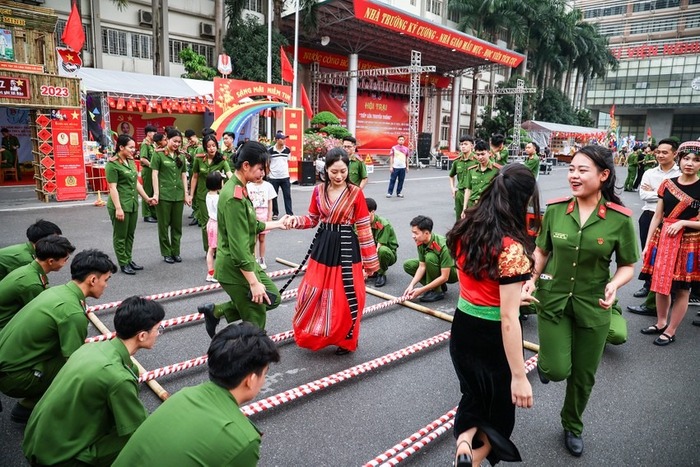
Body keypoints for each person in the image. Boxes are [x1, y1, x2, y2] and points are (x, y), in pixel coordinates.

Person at [525, 145, 638, 457]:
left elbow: (628, 265)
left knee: (583, 375)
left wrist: (615, 284)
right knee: (558, 368)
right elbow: (542, 251)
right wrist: (531, 280)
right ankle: (549, 365)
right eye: (571, 169)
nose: (573, 175)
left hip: (594, 305)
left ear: (603, 175)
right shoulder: (557, 209)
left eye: (582, 170)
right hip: (554, 300)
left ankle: (572, 425)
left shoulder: (619, 219)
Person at [446, 163, 538, 466]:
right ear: (522, 199)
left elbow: (470, 279)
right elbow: (509, 319)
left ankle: (462, 444)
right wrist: (519, 376)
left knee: (472, 394)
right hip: (492, 334)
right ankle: (473, 459)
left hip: (462, 327)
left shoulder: (465, 227)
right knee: (499, 410)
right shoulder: (510, 248)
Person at [22, 296, 165, 466]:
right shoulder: (118, 377)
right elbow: (139, 428)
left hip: (36, 440)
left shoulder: (91, 347)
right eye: (158, 329)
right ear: (142, 335)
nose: (159, 333)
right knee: (141, 439)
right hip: (58, 458)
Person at [113, 322, 280, 467]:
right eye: (265, 373)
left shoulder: (185, 395)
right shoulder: (244, 439)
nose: (264, 379)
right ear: (250, 380)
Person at [0, 249, 117, 423]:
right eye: (106, 280)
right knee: (79, 366)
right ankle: (38, 409)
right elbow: (75, 364)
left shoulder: (56, 291)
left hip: (7, 366)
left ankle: (27, 405)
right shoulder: (72, 313)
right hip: (14, 379)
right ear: (92, 280)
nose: (106, 285)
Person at [285, 148, 379, 355]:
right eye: (334, 171)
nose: (339, 176)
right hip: (323, 246)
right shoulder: (318, 191)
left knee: (348, 295)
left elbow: (363, 227)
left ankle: (346, 340)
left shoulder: (356, 193)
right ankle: (315, 333)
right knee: (312, 292)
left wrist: (371, 262)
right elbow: (312, 219)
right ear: (325, 169)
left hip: (346, 248)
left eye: (343, 172)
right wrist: (294, 221)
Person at [197, 142, 287, 337]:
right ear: (246, 165)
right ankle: (252, 359)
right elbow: (238, 250)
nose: (263, 173)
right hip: (235, 266)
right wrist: (254, 283)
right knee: (256, 316)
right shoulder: (234, 198)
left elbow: (252, 225)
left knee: (272, 298)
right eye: (260, 168)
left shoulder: (241, 188)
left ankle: (217, 311)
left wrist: (279, 223)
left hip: (245, 262)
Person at [638, 140, 700, 346]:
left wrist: (682, 222)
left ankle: (671, 330)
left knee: (683, 288)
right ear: (680, 159)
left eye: (696, 160)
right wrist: (647, 245)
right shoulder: (667, 184)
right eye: (687, 158)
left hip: (689, 242)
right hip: (663, 238)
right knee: (659, 284)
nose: (690, 163)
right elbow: (657, 216)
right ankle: (661, 322)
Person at [0, 235, 74, 332]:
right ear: (51, 261)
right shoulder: (33, 284)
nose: (67, 262)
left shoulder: (28, 270)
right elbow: (41, 316)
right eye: (65, 259)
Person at [106, 134, 155, 275]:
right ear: (121, 147)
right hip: (120, 204)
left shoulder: (130, 161)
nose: (134, 150)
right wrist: (118, 208)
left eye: (134, 147)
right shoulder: (112, 164)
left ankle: (128, 259)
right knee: (120, 236)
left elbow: (136, 184)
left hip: (132, 204)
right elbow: (112, 188)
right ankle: (123, 262)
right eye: (131, 147)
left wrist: (147, 198)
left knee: (130, 234)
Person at [151, 128, 192, 264]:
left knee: (177, 226)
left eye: (179, 142)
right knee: (163, 226)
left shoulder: (181, 156)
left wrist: (186, 194)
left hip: (178, 195)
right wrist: (156, 193)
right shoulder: (158, 155)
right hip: (164, 195)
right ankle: (166, 252)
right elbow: (154, 174)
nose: (176, 144)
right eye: (174, 141)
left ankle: (176, 251)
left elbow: (183, 175)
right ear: (167, 139)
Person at [189, 134, 233, 252]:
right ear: (205, 147)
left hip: (219, 196)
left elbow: (230, 175)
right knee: (206, 224)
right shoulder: (198, 159)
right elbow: (194, 177)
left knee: (220, 223)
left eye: (214, 146)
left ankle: (220, 248)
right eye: (209, 146)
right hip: (203, 196)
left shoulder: (222, 160)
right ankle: (209, 249)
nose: (212, 148)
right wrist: (190, 195)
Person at [403, 215, 458, 303]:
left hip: (451, 272)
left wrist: (421, 290)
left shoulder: (443, 246)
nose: (413, 236)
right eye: (412, 232)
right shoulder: (421, 242)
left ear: (427, 233)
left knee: (430, 257)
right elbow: (422, 266)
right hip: (438, 268)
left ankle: (437, 292)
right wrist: (411, 285)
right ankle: (437, 286)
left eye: (416, 233)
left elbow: (445, 277)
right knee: (409, 265)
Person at [462, 139, 502, 216]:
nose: (480, 157)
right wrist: (464, 209)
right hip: (473, 206)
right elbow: (468, 189)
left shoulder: (497, 170)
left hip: (488, 207)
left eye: (483, 154)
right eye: (478, 154)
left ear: (489, 153)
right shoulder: (472, 170)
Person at [247, 166, 277, 270]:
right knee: (254, 238)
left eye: (262, 171)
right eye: (258, 171)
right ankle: (254, 258)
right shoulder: (249, 186)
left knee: (262, 238)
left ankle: (262, 258)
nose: (260, 174)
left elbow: (270, 201)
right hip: (253, 213)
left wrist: (270, 216)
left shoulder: (268, 186)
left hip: (264, 213)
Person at [366, 197, 398, 288]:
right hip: (371, 253)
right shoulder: (360, 223)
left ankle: (381, 273)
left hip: (387, 254)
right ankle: (373, 271)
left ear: (372, 212)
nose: (362, 217)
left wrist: (369, 268)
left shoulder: (383, 224)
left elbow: (379, 247)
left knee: (382, 250)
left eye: (366, 214)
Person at [449, 135, 475, 221]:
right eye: (461, 144)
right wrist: (453, 188)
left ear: (472, 146)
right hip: (460, 193)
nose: (463, 146)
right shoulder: (457, 161)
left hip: (472, 194)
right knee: (459, 220)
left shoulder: (477, 160)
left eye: (466, 144)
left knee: (471, 220)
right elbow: (451, 175)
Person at [268, 131, 293, 220]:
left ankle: (289, 213)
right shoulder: (270, 150)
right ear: (277, 140)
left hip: (285, 176)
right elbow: (268, 162)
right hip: (274, 177)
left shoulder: (287, 150)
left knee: (287, 196)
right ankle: (275, 213)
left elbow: (287, 161)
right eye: (282, 139)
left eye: (284, 139)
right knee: (274, 196)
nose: (284, 141)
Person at [204, 171, 223, 283]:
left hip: (210, 223)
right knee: (218, 249)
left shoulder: (208, 195)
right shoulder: (217, 198)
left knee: (211, 249)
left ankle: (210, 272)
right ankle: (215, 273)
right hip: (217, 224)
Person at [139, 125, 158, 223]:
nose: (155, 134)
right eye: (153, 132)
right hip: (148, 170)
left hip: (153, 170)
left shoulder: (152, 144)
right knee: (147, 192)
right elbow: (142, 158)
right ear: (148, 133)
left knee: (154, 191)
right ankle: (147, 214)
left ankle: (154, 213)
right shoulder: (145, 144)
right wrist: (152, 165)